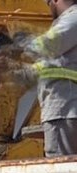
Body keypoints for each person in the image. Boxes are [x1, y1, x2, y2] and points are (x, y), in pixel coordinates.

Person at [29, 0, 77, 156]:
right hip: (69, 109)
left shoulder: (73, 17)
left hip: (65, 109)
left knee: (62, 169)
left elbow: (47, 45)